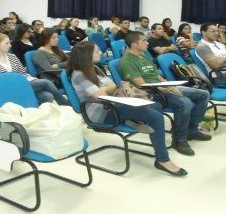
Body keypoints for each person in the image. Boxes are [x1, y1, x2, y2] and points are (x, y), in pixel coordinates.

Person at [67, 41, 187, 176]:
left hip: (113, 104)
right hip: (101, 112)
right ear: (86, 56)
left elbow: (113, 86)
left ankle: (133, 121)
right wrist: (105, 90)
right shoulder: (79, 74)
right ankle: (162, 160)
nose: (101, 53)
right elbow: (99, 96)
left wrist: (104, 90)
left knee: (156, 105)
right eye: (96, 51)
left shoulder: (95, 68)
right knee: (156, 117)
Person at [118, 31, 211, 156]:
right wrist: (170, 89)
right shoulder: (127, 61)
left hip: (163, 88)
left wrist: (171, 86)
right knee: (184, 102)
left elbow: (157, 76)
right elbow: (142, 85)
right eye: (144, 41)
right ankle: (180, 139)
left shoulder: (144, 57)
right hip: (151, 93)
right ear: (134, 44)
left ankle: (191, 130)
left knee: (203, 94)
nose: (147, 43)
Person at [0, 34, 69, 105]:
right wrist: (23, 79)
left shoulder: (12, 57)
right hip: (6, 87)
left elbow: (22, 72)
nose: (10, 45)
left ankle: (35, 118)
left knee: (48, 96)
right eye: (7, 43)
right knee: (46, 82)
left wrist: (30, 78)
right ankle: (65, 103)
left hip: (22, 83)